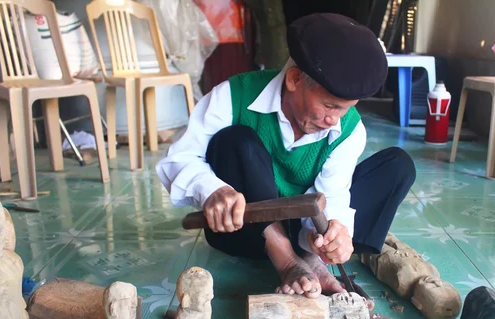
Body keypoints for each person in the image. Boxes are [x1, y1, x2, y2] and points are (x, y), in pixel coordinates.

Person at [156, 13, 416, 299]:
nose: (335, 120)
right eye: (330, 106)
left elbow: (333, 193)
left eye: (345, 108)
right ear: (294, 79)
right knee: (235, 140)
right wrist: (212, 191)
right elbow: (178, 159)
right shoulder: (234, 95)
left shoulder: (348, 129)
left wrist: (332, 233)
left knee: (397, 166)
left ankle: (313, 260)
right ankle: (287, 261)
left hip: (301, 230)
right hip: (244, 231)